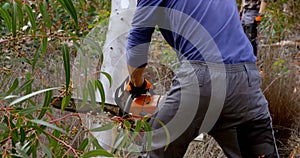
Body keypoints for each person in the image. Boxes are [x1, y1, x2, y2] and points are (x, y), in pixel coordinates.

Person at [125, 0, 279, 157]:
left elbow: (138, 40)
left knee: (155, 151)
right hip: (245, 82)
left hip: (200, 81)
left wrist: (137, 84)